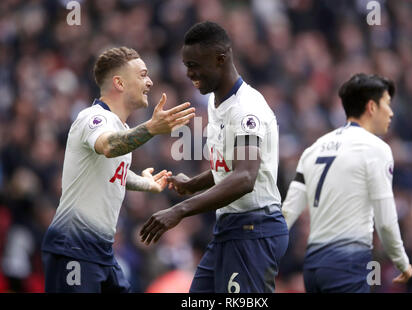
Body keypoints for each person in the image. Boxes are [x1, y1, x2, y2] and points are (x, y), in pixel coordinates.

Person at [139, 21, 289, 293]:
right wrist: (193, 184)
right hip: (231, 229)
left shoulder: (246, 109)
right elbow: (230, 168)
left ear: (220, 59)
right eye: (186, 65)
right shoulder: (215, 101)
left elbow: (245, 177)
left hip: (254, 230)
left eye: (195, 65)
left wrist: (180, 210)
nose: (189, 73)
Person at [41, 46, 195, 293]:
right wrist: (152, 129)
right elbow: (108, 147)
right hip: (73, 248)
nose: (150, 81)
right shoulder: (93, 118)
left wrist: (145, 183)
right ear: (119, 83)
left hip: (101, 251)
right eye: (143, 74)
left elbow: (110, 171)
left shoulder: (118, 126)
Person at [282, 73, 412, 293]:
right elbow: (385, 220)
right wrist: (401, 261)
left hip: (313, 265)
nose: (391, 113)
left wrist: (264, 254)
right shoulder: (376, 149)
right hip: (347, 262)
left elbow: (287, 214)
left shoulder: (314, 148)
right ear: (371, 107)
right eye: (387, 105)